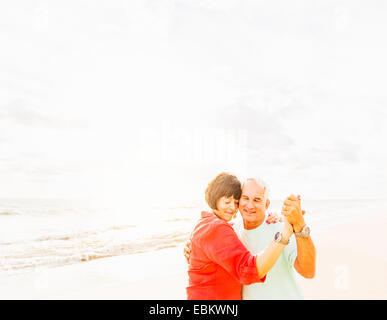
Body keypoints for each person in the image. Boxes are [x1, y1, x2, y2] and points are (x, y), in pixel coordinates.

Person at [185, 176, 316, 300]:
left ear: (267, 204)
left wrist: (299, 227)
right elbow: (210, 241)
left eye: (257, 200)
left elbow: (308, 271)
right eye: (245, 198)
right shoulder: (231, 231)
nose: (250, 205)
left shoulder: (280, 227)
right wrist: (193, 248)